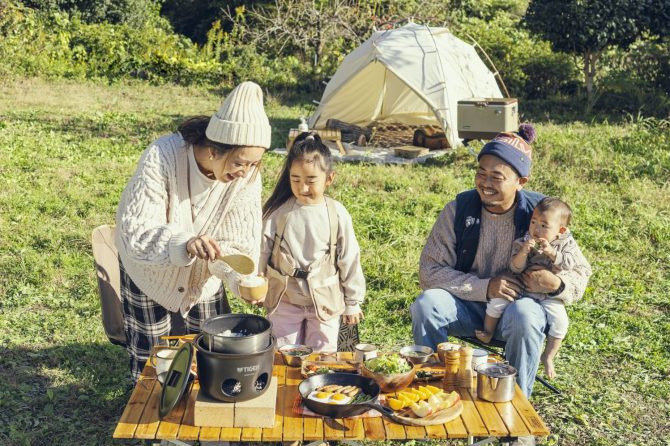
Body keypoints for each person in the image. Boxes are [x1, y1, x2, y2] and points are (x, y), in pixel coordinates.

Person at [411, 124, 592, 398]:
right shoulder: (459, 210)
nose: (485, 183)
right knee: (427, 304)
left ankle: (518, 411)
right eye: (480, 173)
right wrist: (486, 287)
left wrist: (556, 285)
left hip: (516, 314)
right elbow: (429, 271)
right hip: (468, 308)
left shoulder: (542, 215)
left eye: (497, 177)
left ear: (521, 182)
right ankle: (433, 392)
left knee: (525, 314)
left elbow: (580, 270)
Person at [115, 81, 271, 382]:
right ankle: (148, 420)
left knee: (213, 353)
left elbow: (238, 244)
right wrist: (184, 243)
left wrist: (241, 281)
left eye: (254, 164)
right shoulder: (163, 156)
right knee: (153, 359)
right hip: (149, 272)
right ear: (213, 150)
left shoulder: (247, 178)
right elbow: (137, 231)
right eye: (240, 162)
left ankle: (201, 414)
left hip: (203, 278)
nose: (246, 172)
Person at [258, 132, 365, 352]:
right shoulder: (280, 212)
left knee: (323, 357)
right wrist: (257, 283)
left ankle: (317, 388)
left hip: (325, 303)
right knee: (284, 355)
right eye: (295, 179)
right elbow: (261, 249)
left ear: (329, 179)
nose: (302, 187)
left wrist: (352, 302)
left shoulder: (336, 214)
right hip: (285, 301)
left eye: (310, 181)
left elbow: (349, 258)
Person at [475, 197, 591, 379]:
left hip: (548, 294)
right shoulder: (525, 241)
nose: (536, 229)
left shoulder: (567, 245)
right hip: (522, 286)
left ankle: (549, 356)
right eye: (533, 222)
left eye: (544, 225)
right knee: (497, 301)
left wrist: (553, 254)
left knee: (561, 322)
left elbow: (572, 264)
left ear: (560, 231)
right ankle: (488, 331)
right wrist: (523, 253)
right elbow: (515, 267)